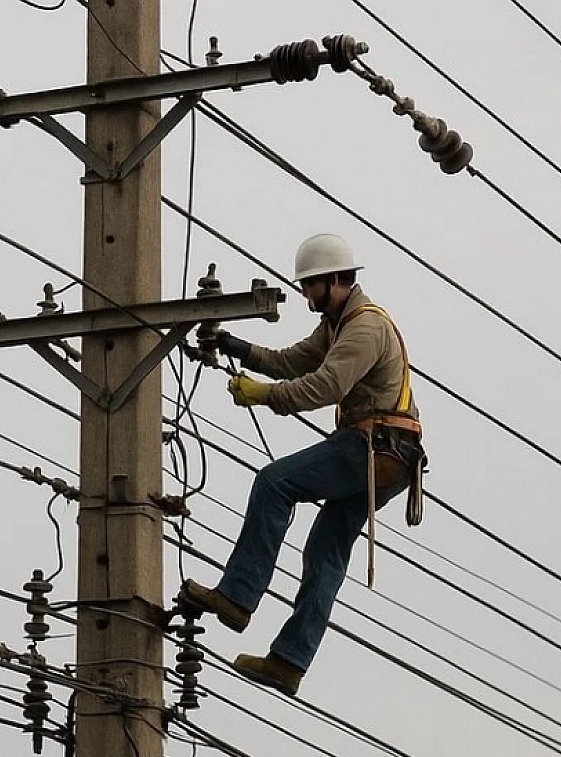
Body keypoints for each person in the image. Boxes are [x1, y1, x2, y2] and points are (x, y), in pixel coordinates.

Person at [179, 233, 426, 695]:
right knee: (324, 556)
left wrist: (264, 396)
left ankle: (237, 596)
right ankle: (289, 662)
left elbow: (324, 386)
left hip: (375, 445)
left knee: (275, 482)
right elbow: (293, 361)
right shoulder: (337, 324)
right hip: (389, 456)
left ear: (336, 280)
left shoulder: (365, 328)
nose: (307, 295)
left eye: (312, 285)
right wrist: (235, 346)